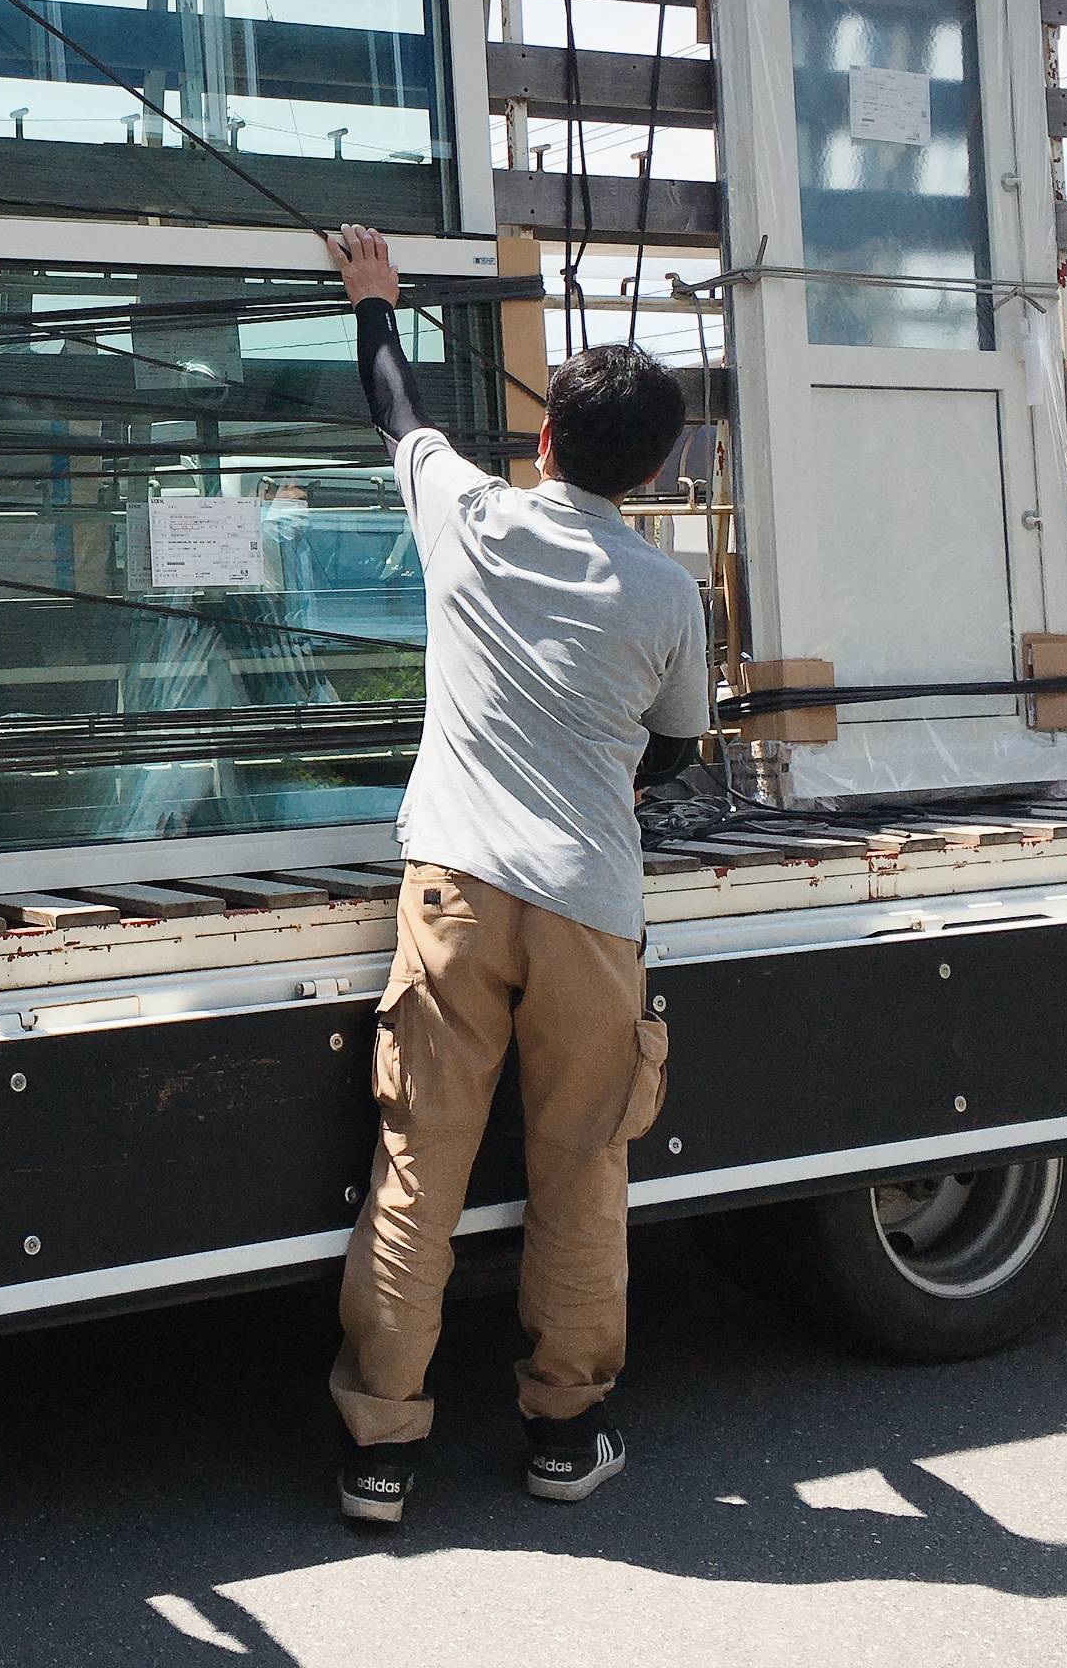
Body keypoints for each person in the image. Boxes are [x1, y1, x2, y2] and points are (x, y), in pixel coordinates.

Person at [322, 222, 710, 1524]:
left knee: (415, 1172)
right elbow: (678, 751)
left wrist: (376, 297)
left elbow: (397, 408)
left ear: (542, 442)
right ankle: (565, 1433)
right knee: (580, 1175)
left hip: (453, 891)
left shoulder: (471, 516)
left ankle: (380, 1453)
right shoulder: (667, 593)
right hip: (592, 909)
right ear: (653, 469)